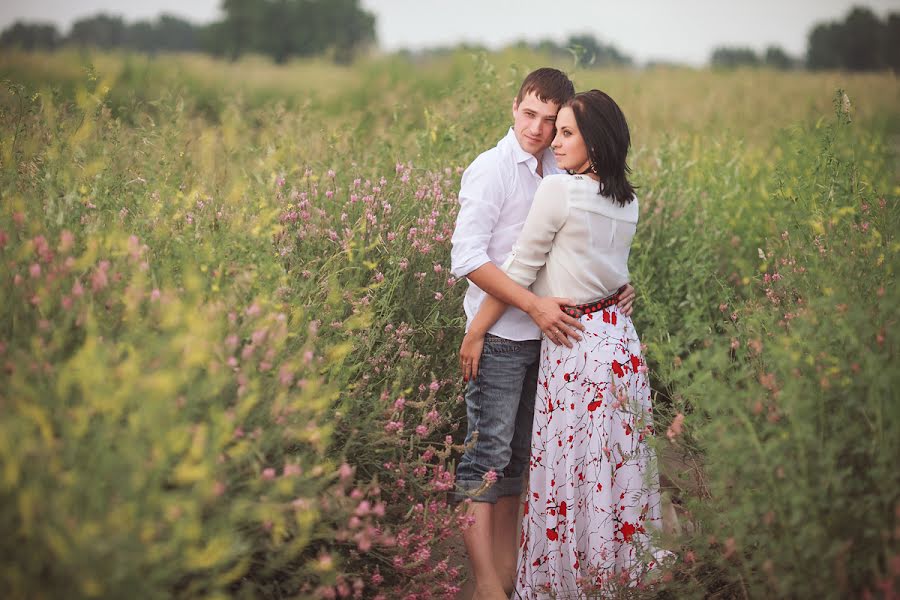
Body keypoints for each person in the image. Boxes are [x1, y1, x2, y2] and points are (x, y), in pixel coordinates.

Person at [459, 90, 665, 598]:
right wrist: (618, 293)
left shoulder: (558, 189)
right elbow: (609, 272)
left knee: (570, 473)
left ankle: (565, 584)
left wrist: (476, 329)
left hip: (574, 349)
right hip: (618, 343)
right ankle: (617, 581)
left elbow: (523, 270)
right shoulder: (628, 199)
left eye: (566, 131)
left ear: (593, 142)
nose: (554, 139)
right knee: (616, 469)